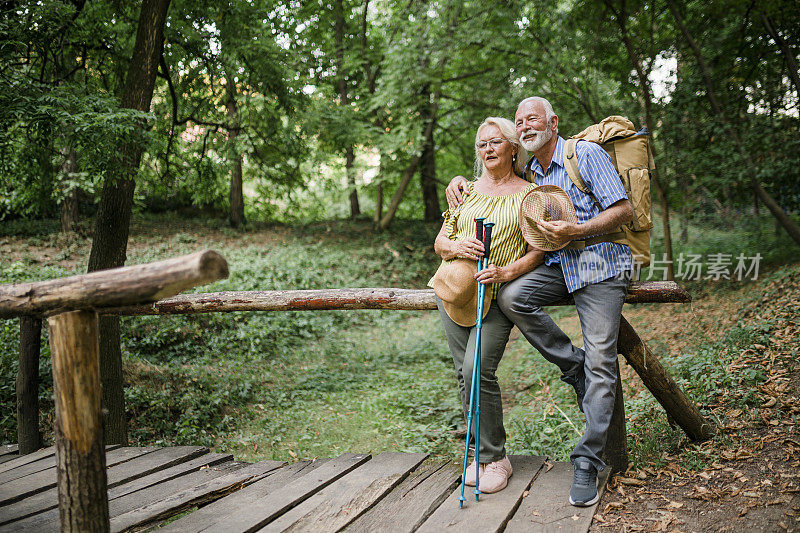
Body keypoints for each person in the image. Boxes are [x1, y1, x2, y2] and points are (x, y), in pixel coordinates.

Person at [446, 97, 634, 507]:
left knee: (603, 360)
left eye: (532, 118)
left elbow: (623, 209)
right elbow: (491, 183)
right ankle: (572, 364)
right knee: (514, 296)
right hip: (560, 267)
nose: (526, 126)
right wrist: (459, 180)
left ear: (553, 122)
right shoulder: (531, 170)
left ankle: (587, 459)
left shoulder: (583, 153)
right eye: (519, 121)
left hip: (599, 264)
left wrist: (578, 228)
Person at [431, 117, 540, 494]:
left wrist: (506, 272)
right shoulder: (464, 191)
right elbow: (440, 242)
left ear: (513, 148)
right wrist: (457, 246)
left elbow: (539, 253)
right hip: (453, 293)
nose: (488, 149)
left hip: (494, 296)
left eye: (496, 142)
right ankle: (478, 452)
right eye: (482, 144)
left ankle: (496, 458)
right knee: (464, 374)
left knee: (478, 369)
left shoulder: (530, 194)